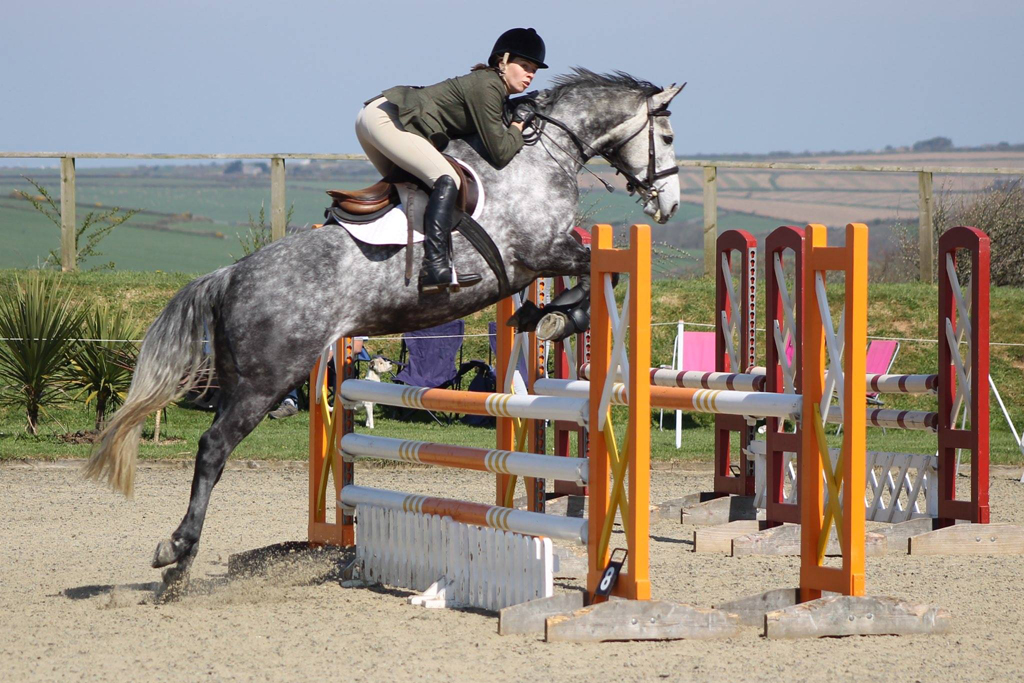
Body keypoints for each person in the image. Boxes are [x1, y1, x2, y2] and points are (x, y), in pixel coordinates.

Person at [355, 27, 547, 293]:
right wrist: (517, 125)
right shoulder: (488, 85)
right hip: (387, 119)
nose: (530, 75)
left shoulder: (490, 87)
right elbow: (501, 153)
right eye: (524, 65)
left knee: (414, 193)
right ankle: (434, 267)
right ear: (502, 60)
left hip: (376, 116)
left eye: (534, 70)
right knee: (447, 180)